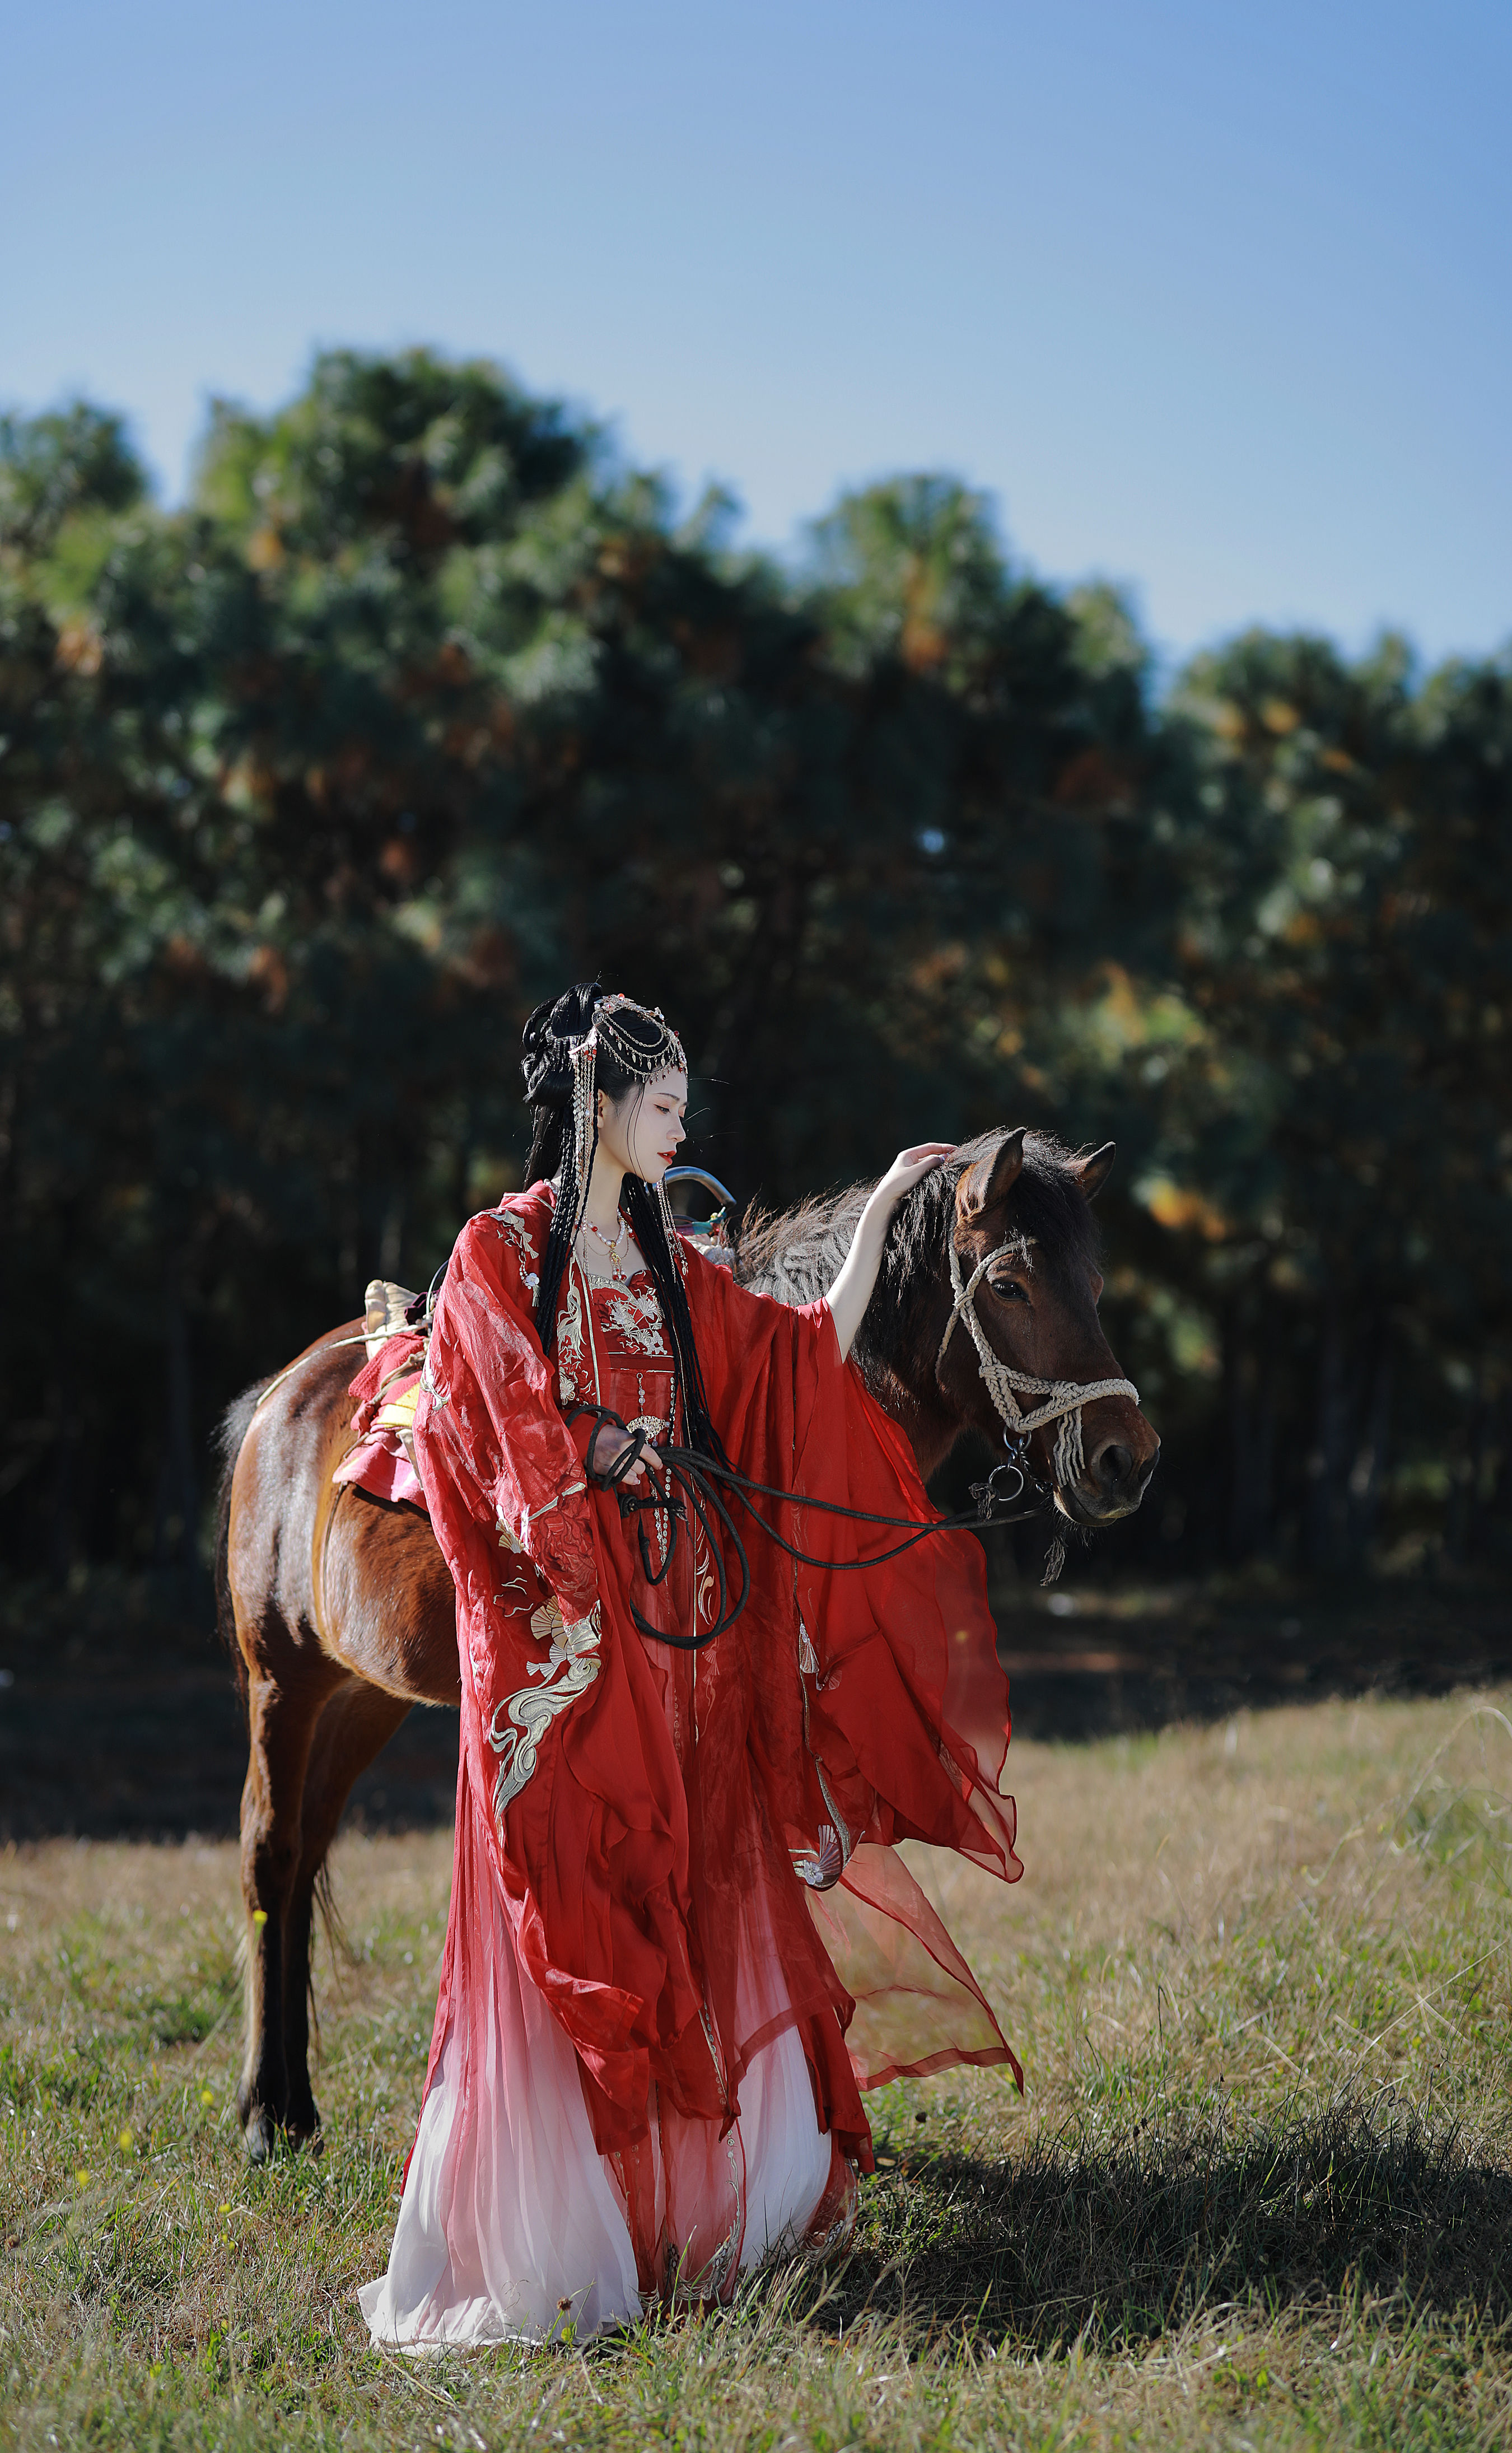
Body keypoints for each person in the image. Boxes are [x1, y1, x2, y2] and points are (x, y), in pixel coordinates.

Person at [360, 984, 1021, 2348]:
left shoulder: (673, 1259)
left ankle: (728, 2210)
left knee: (706, 1863)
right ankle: (568, 2229)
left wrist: (894, 1208)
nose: (678, 1130)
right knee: (589, 1872)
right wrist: (590, 1464)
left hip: (688, 1629)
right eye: (662, 1107)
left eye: (681, 1113)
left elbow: (797, 1357)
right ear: (601, 1103)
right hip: (569, 1631)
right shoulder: (497, 1253)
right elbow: (483, 1429)